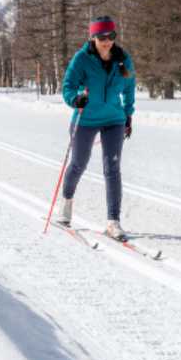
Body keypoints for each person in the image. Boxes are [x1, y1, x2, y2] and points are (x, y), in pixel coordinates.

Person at [59, 16, 136, 241]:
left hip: (114, 119)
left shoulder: (123, 59)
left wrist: (128, 113)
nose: (107, 41)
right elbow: (68, 86)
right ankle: (66, 202)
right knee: (78, 163)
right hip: (86, 119)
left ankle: (113, 221)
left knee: (112, 168)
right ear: (93, 37)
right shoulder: (82, 59)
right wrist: (75, 99)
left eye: (111, 36)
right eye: (102, 37)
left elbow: (130, 87)